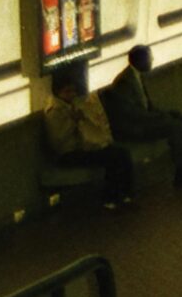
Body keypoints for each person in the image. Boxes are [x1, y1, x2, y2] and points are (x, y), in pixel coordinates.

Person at [100, 44, 182, 185]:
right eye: (149, 58)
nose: (152, 60)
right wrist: (161, 117)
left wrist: (165, 113)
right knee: (175, 127)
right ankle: (181, 173)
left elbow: (147, 107)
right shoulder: (124, 82)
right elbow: (133, 114)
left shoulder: (135, 77)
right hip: (134, 128)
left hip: (143, 122)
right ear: (140, 61)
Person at [42, 64, 134, 210]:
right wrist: (73, 122)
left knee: (119, 153)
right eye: (67, 92)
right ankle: (112, 197)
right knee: (113, 157)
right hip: (68, 154)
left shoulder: (72, 106)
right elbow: (58, 141)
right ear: (58, 93)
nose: (71, 95)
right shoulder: (55, 112)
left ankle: (123, 194)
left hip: (81, 148)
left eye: (72, 91)